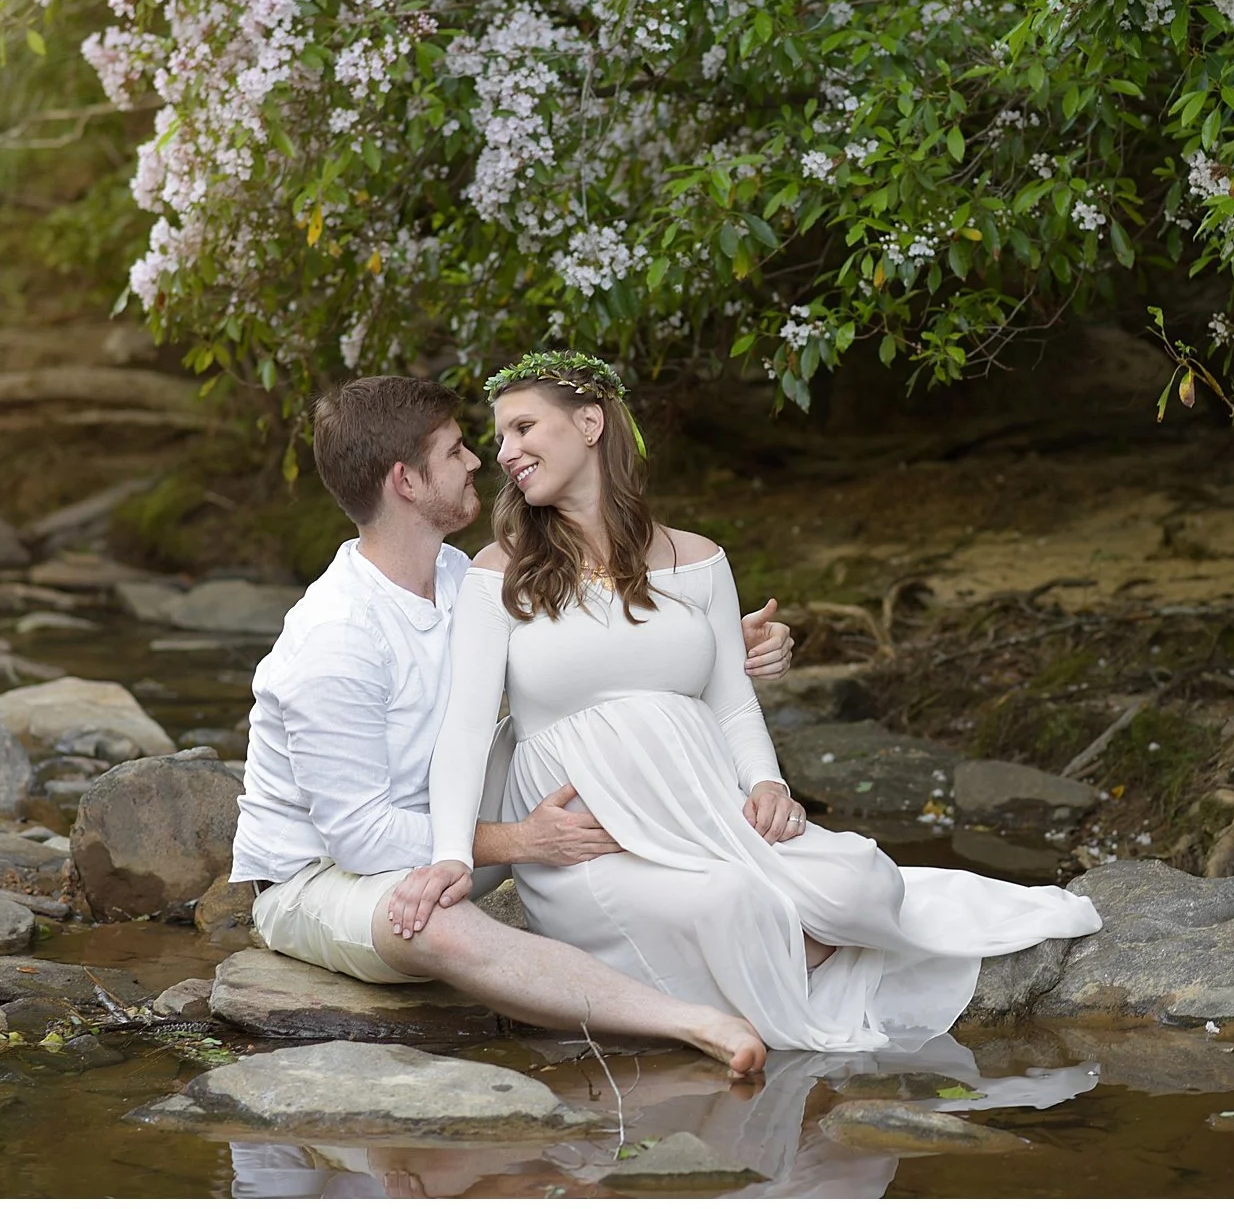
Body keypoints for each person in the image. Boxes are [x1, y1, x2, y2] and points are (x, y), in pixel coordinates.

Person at [402, 352, 1102, 1054]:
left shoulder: (699, 560)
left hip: (706, 808)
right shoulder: (501, 573)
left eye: (523, 427)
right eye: (498, 438)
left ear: (590, 422)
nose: (505, 452)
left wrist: (768, 783)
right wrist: (452, 856)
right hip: (595, 843)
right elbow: (466, 727)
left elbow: (731, 701)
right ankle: (732, 976)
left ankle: (762, 958)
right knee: (730, 905)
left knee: (861, 886)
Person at [227, 374, 797, 1077]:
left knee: (592, 744)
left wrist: (713, 645)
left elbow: (580, 650)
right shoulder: (334, 638)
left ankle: (731, 916)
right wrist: (523, 841)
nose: (478, 461)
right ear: (406, 481)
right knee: (432, 924)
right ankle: (688, 1021)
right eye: (456, 449)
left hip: (453, 826)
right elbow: (359, 836)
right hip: (323, 875)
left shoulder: (458, 572)